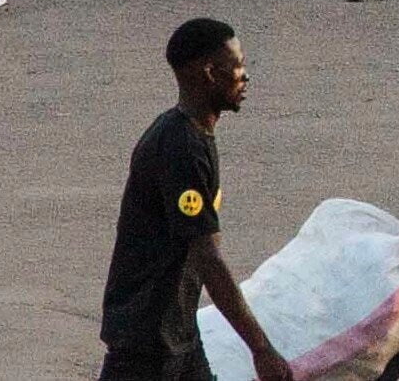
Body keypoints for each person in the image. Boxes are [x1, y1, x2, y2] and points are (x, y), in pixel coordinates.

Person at [104, 21, 300, 381]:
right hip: (147, 343)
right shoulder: (181, 147)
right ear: (210, 72)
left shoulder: (194, 135)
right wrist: (261, 349)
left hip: (176, 333)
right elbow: (207, 257)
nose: (245, 76)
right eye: (238, 65)